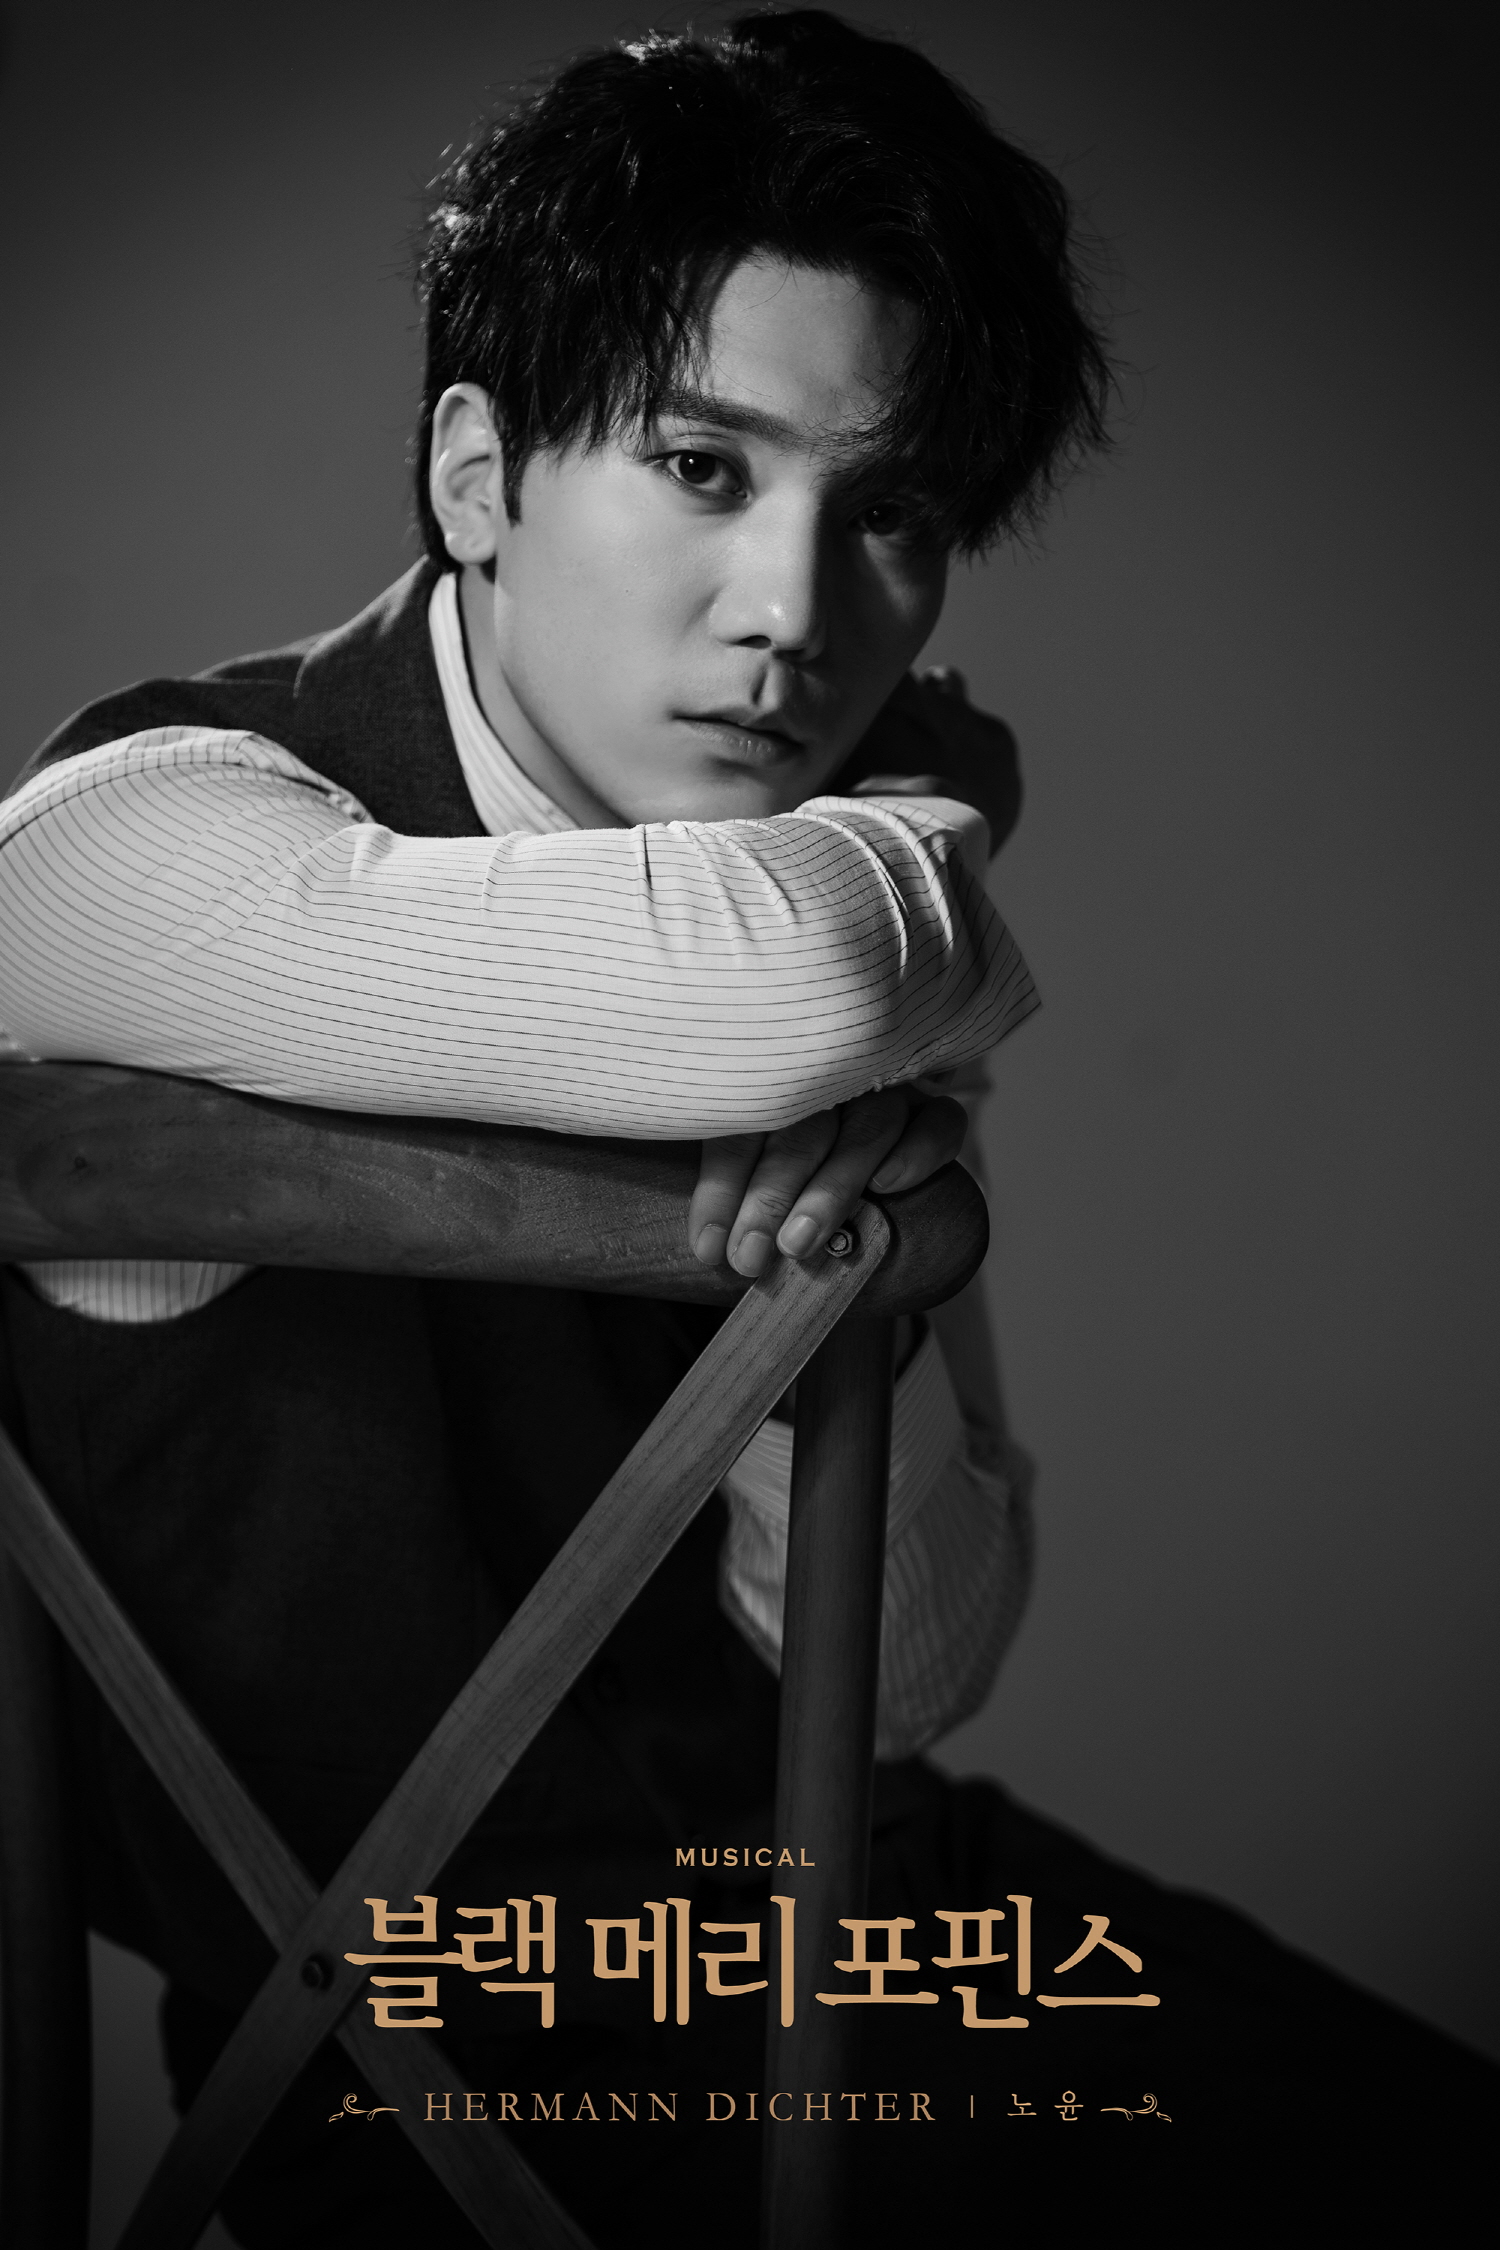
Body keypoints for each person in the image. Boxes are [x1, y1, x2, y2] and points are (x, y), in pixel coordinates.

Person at [0, 11, 1489, 2244]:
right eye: (703, 467)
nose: (796, 614)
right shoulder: (116, 841)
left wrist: (843, 1272)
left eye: (889, 514)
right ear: (479, 477)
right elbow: (809, 974)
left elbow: (910, 1676)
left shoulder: (812, 889)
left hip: (870, 1926)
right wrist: (939, 836)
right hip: (446, 2058)